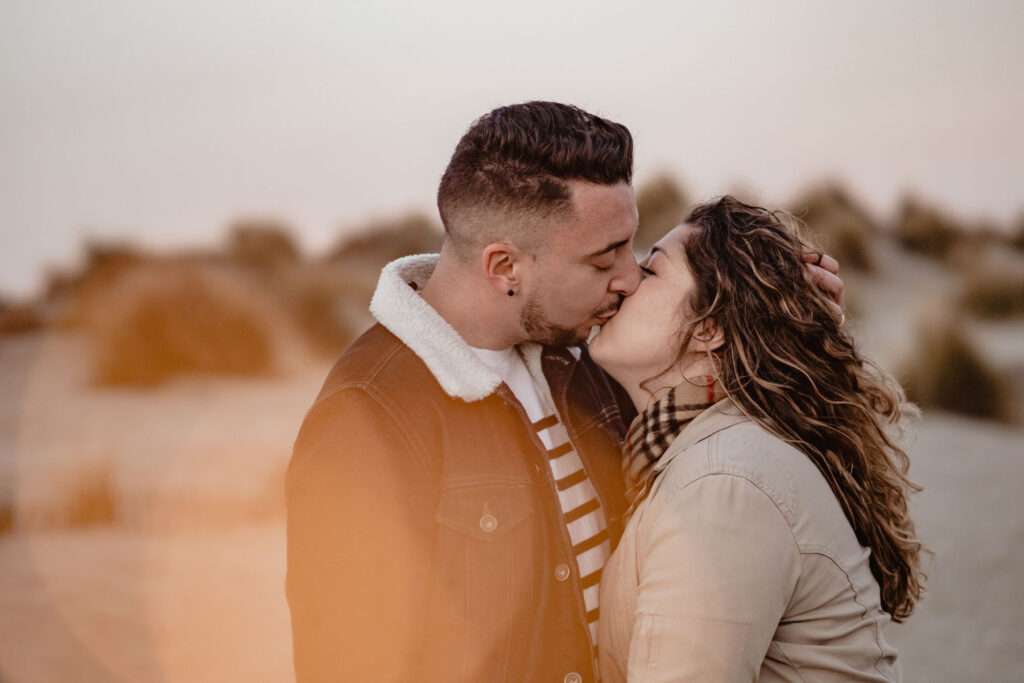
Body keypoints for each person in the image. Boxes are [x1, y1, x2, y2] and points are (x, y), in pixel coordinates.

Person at [285, 102, 844, 682]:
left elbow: (726, 419)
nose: (629, 277)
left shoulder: (594, 359)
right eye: (603, 260)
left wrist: (782, 314)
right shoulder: (369, 416)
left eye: (632, 246)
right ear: (505, 268)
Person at [590, 196, 925, 682]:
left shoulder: (725, 484)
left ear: (708, 328)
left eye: (650, 270)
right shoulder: (712, 452)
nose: (624, 283)